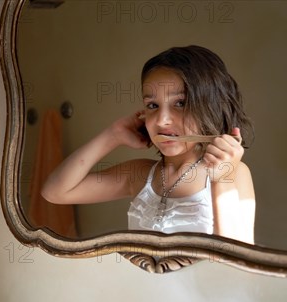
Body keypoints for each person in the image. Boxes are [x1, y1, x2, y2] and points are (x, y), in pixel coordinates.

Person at [41, 45, 255, 243]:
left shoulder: (235, 174)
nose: (162, 120)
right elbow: (55, 192)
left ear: (212, 106)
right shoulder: (140, 174)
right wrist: (113, 135)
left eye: (180, 103)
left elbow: (236, 265)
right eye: (152, 105)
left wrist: (222, 178)